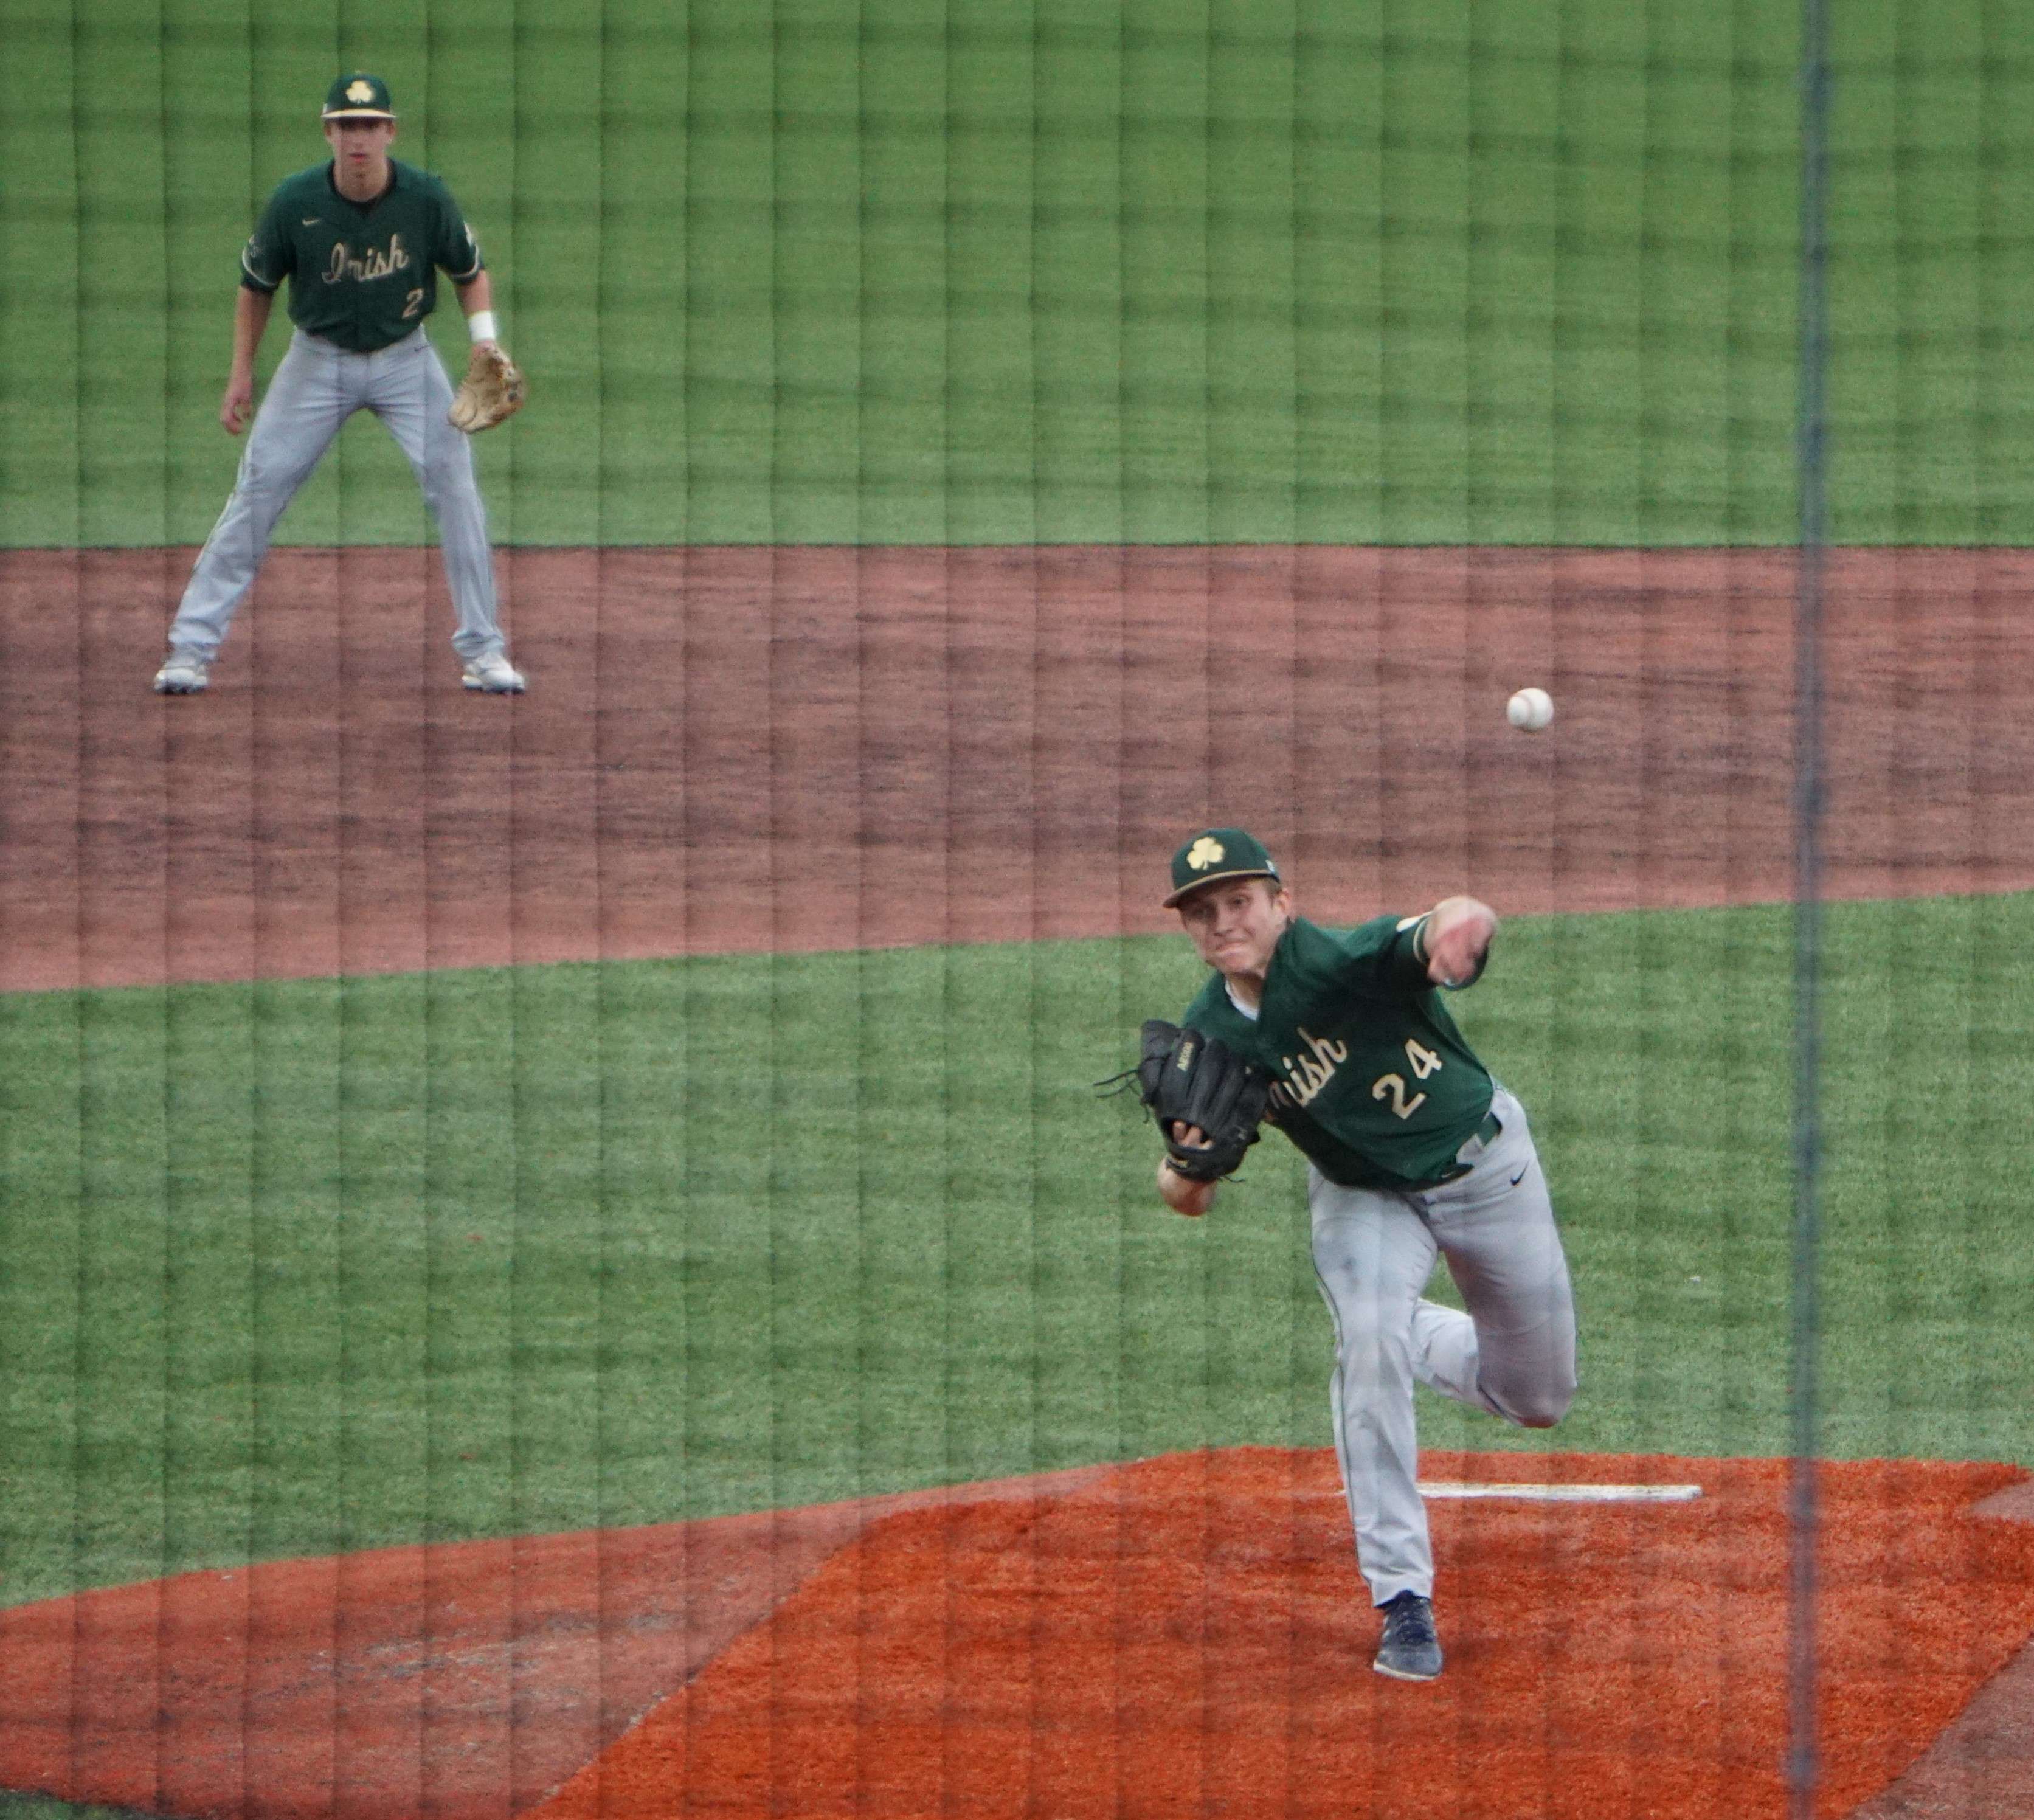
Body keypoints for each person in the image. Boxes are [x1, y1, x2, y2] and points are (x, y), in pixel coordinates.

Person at [1153, 827, 1577, 1682]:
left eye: (1238, 901)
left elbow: (1440, 924)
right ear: (1189, 930)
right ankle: (1403, 1602)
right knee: (1366, 1348)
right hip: (1365, 1198)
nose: (1223, 921)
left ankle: (1403, 1330)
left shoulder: (1336, 960)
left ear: (1281, 903)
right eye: (1203, 912)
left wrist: (1465, 928)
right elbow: (1184, 1196)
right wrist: (1189, 1168)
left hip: (1486, 1168)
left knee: (1536, 1396)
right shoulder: (1210, 1032)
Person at [152, 72, 525, 697]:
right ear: (329, 131)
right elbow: (256, 289)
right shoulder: (295, 201)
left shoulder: (426, 197)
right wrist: (241, 373)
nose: (360, 138)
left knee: (457, 488)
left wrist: (484, 340)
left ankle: (485, 651)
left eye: (371, 124)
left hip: (408, 361)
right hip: (316, 363)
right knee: (259, 490)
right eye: (348, 125)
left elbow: (470, 271)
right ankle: (190, 649)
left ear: (390, 131)